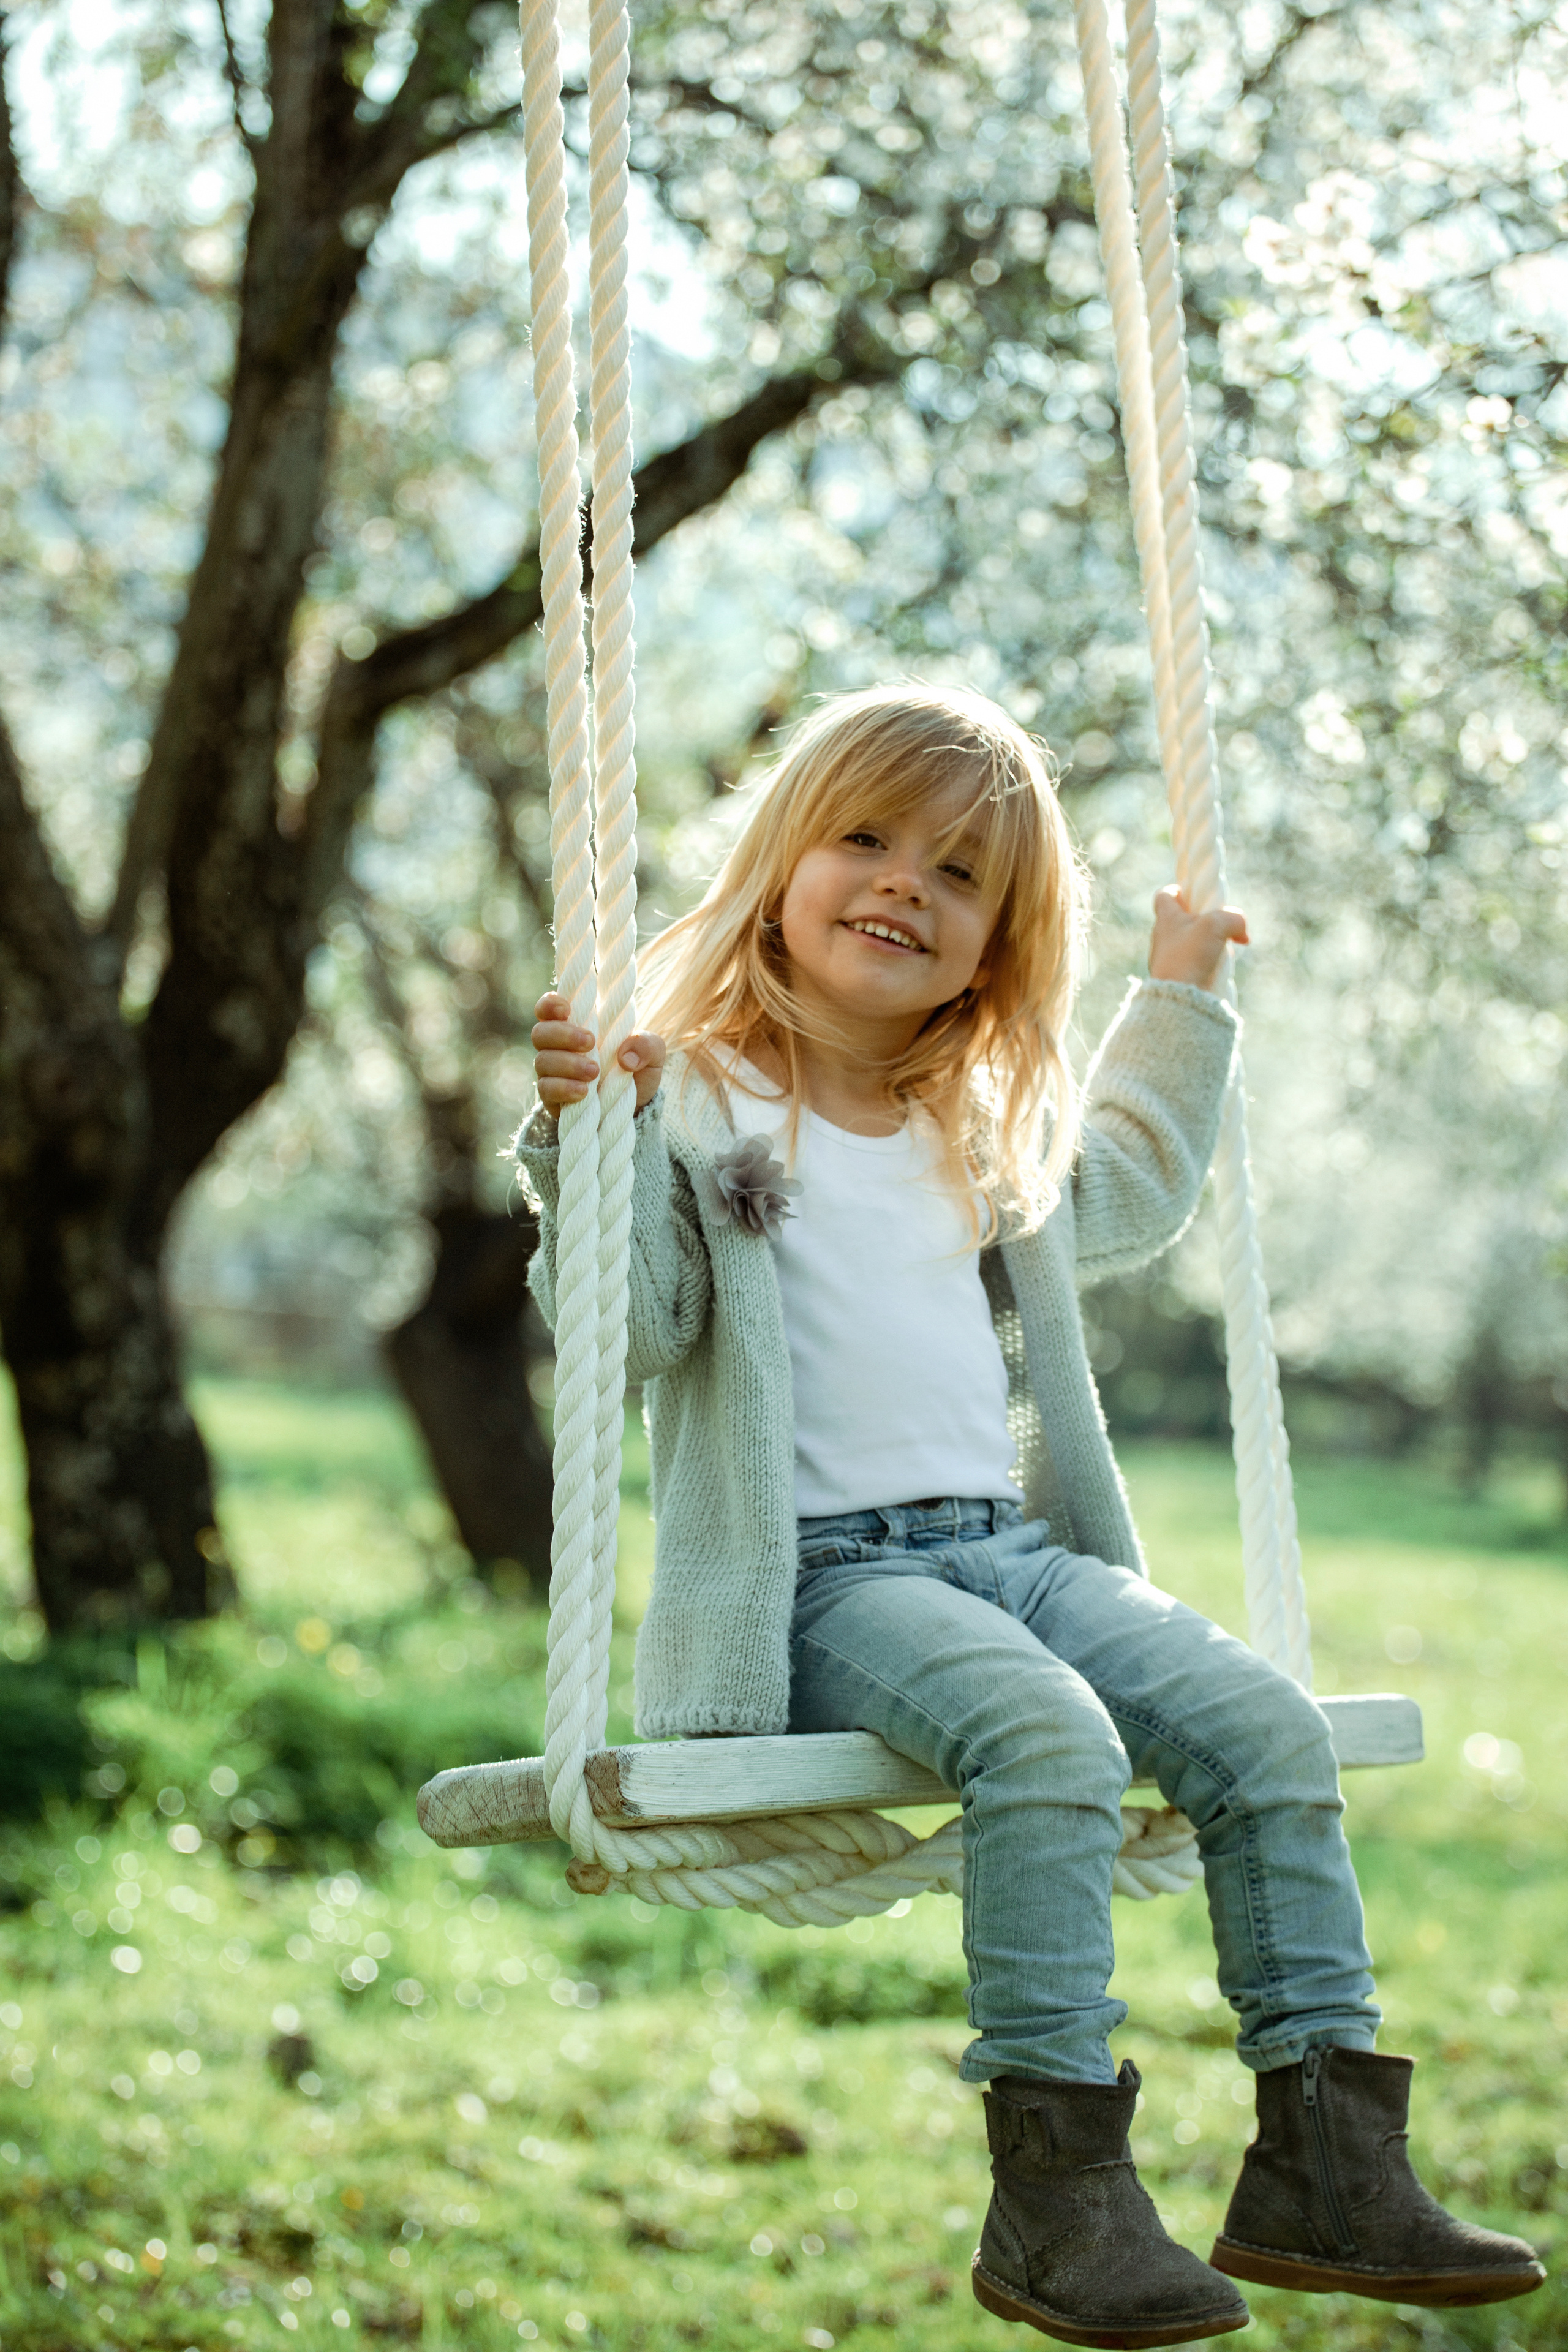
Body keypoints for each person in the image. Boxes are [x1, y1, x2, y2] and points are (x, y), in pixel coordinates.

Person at [518, 685, 1544, 2349]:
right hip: (825, 1585)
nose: (905, 883)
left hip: (1006, 1554)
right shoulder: (687, 1098)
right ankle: (1060, 2202)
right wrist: (586, 1134)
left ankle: (1328, 2164)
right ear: (785, 858)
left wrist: (1181, 1001)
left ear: (998, 938)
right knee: (1047, 1739)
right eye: (866, 838)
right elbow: (627, 1331)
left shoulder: (981, 1122)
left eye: (959, 872)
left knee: (1261, 1724)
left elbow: (1130, 1176)